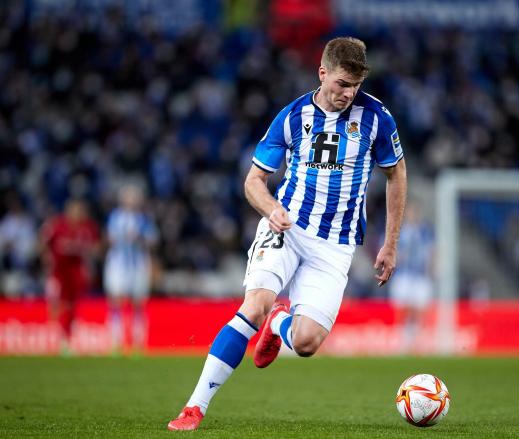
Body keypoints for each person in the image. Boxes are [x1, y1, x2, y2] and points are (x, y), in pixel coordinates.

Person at [168, 36, 407, 431]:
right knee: (254, 305)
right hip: (288, 226)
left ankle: (280, 323)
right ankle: (195, 407)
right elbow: (254, 181)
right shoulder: (293, 116)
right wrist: (271, 208)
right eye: (342, 84)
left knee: (307, 342)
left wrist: (391, 243)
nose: (348, 93)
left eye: (356, 86)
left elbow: (396, 173)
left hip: (335, 244)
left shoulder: (377, 118)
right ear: (322, 73)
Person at [104, 185, 159, 353]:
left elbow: (153, 240)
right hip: (118, 264)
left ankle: (138, 343)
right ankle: (116, 341)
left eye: (134, 197)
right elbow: (109, 238)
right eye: (128, 197)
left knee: (138, 303)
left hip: (138, 264)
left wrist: (140, 238)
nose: (131, 200)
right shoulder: (115, 217)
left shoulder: (143, 219)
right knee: (116, 300)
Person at [41, 199, 100, 353]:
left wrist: (87, 259)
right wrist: (47, 258)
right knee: (57, 305)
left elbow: (96, 247)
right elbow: (43, 242)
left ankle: (66, 339)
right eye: (74, 210)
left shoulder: (87, 227)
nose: (77, 213)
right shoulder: (57, 225)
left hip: (76, 273)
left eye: (80, 210)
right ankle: (56, 337)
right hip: (58, 272)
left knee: (71, 305)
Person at [387, 200, 434, 353]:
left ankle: (415, 342)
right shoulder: (399, 232)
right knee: (403, 309)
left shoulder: (425, 231)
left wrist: (432, 267)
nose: (413, 215)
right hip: (404, 275)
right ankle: (403, 342)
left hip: (420, 276)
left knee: (418, 310)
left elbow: (433, 251)